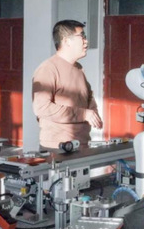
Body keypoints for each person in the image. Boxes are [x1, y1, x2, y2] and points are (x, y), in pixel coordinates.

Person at [32, 20, 102, 149]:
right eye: (82, 36)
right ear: (66, 41)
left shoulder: (79, 68)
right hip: (58, 147)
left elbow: (88, 97)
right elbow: (42, 108)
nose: (86, 41)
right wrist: (84, 114)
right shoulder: (48, 69)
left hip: (82, 143)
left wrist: (93, 114)